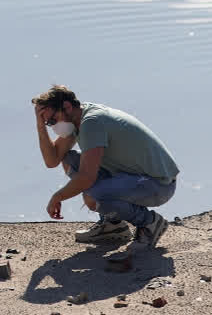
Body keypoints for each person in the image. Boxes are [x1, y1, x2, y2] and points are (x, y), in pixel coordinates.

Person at [32, 85, 179, 248]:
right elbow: (52, 160)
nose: (52, 126)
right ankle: (113, 226)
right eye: (48, 123)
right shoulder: (76, 119)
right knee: (68, 159)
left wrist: (57, 197)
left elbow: (87, 178)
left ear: (66, 107)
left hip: (158, 184)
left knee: (94, 195)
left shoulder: (91, 122)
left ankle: (150, 223)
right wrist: (40, 126)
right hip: (133, 178)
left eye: (52, 120)